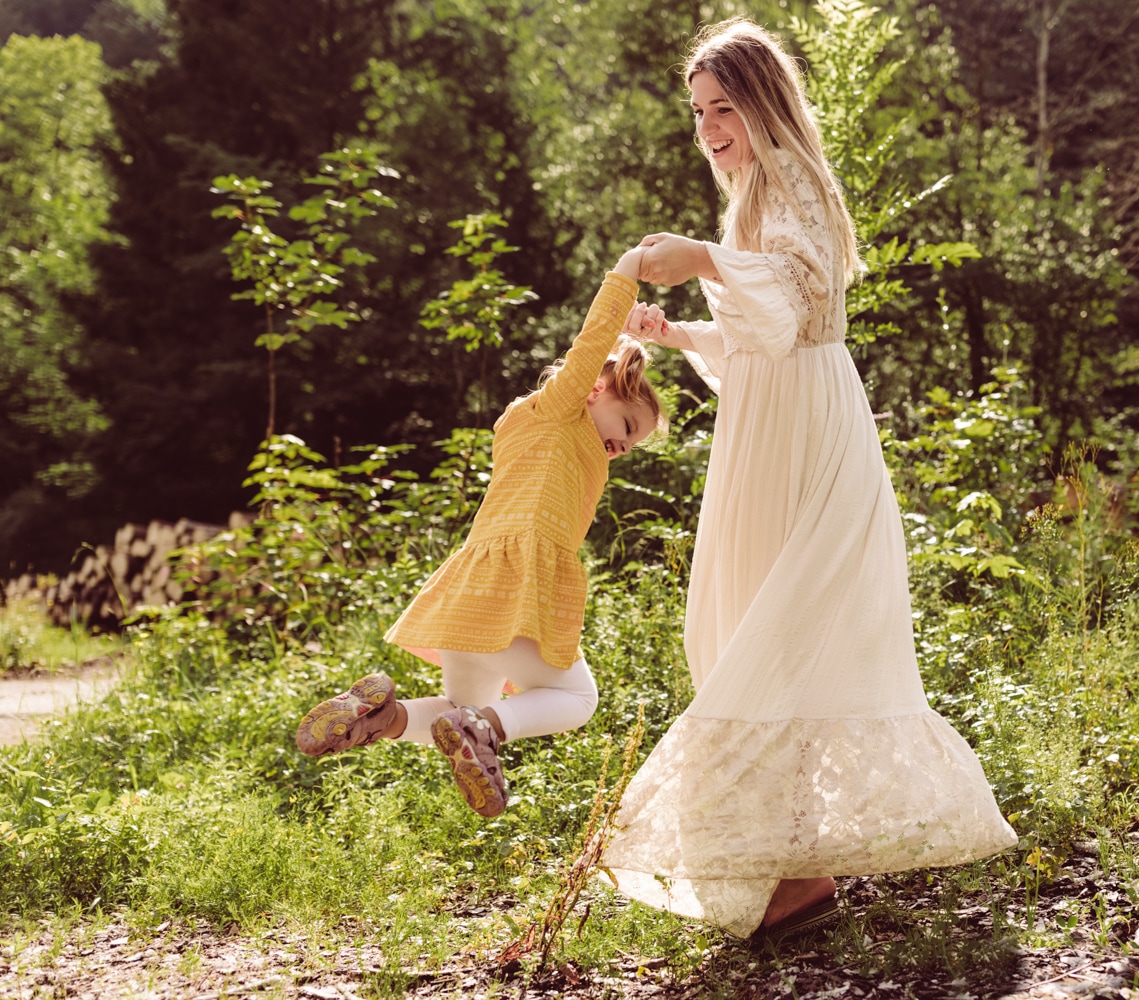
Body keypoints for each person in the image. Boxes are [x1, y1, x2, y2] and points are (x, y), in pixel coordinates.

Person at [599, 18, 1017, 943]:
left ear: (762, 103)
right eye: (698, 111)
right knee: (741, 618)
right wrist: (678, 331)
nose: (708, 127)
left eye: (723, 107)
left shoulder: (791, 178)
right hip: (769, 419)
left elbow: (792, 301)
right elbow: (760, 337)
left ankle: (795, 872)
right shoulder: (755, 192)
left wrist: (703, 260)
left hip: (804, 429)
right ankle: (790, 862)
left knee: (772, 622)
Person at [294, 248, 667, 818]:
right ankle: (483, 728)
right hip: (514, 591)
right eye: (627, 425)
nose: (623, 446)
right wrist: (628, 272)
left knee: (453, 710)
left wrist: (637, 336)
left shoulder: (523, 424)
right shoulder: (560, 411)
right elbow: (590, 343)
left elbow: (598, 375)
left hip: (472, 596)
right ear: (594, 389)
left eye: (632, 444)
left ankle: (378, 719)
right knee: (576, 698)